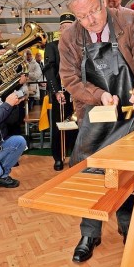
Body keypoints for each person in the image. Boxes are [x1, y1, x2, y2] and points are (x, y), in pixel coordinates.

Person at [59, 0, 134, 263]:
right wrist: (98, 94)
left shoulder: (129, 20)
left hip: (131, 111)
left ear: (103, 1)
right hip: (95, 115)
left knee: (127, 175)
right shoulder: (71, 37)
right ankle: (89, 233)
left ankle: (128, 228)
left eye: (94, 12)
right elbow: (70, 79)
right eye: (82, 17)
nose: (91, 21)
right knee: (89, 173)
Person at [43, 13, 77, 171]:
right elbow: (49, 70)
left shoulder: (80, 45)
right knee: (59, 125)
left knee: (77, 125)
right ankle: (58, 157)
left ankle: (76, 155)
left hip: (78, 93)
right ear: (60, 30)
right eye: (64, 27)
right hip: (61, 92)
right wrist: (56, 91)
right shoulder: (52, 46)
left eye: (70, 27)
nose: (67, 30)